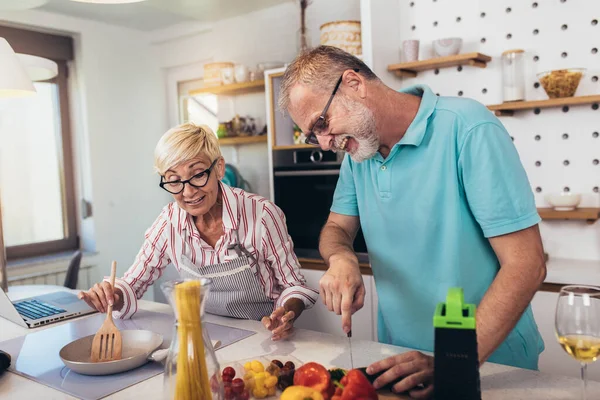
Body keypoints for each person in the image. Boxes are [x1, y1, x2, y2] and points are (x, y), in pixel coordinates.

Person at [278, 46, 547, 397]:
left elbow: (527, 264)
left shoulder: (467, 127)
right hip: (399, 362)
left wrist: (452, 363)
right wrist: (342, 259)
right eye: (313, 136)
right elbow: (336, 229)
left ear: (354, 83)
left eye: (322, 123)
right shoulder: (359, 156)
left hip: (490, 361)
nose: (326, 144)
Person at [78, 123, 318, 340]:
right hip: (203, 336)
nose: (189, 191)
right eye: (174, 180)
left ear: (219, 169)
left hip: (262, 336)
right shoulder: (168, 223)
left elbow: (294, 285)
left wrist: (286, 313)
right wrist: (111, 294)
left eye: (198, 175)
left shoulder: (262, 215)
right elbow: (132, 283)